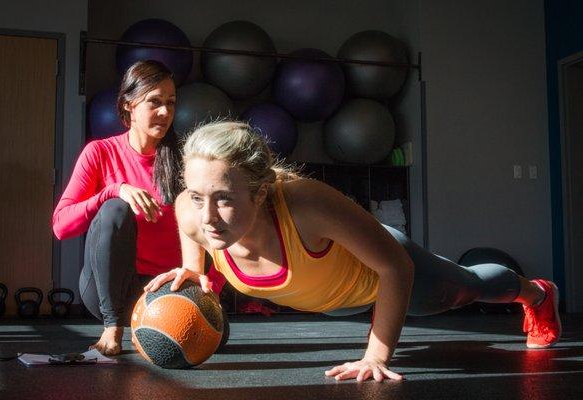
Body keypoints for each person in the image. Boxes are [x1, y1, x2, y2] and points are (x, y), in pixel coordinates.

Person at [145, 121, 561, 382]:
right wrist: (190, 271)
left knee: (465, 289)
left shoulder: (308, 205)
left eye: (226, 199)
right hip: (336, 301)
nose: (209, 216)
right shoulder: (192, 212)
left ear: (261, 192)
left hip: (385, 272)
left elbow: (395, 268)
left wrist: (375, 357)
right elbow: (195, 246)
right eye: (198, 196)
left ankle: (538, 294)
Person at [52, 60, 183, 355]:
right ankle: (113, 327)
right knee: (115, 208)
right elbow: (61, 226)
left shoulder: (182, 161)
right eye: (155, 102)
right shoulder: (100, 153)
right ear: (128, 106)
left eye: (171, 103)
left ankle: (145, 323)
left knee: (215, 337)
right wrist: (112, 191)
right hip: (108, 292)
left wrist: (207, 290)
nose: (165, 112)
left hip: (159, 290)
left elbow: (206, 232)